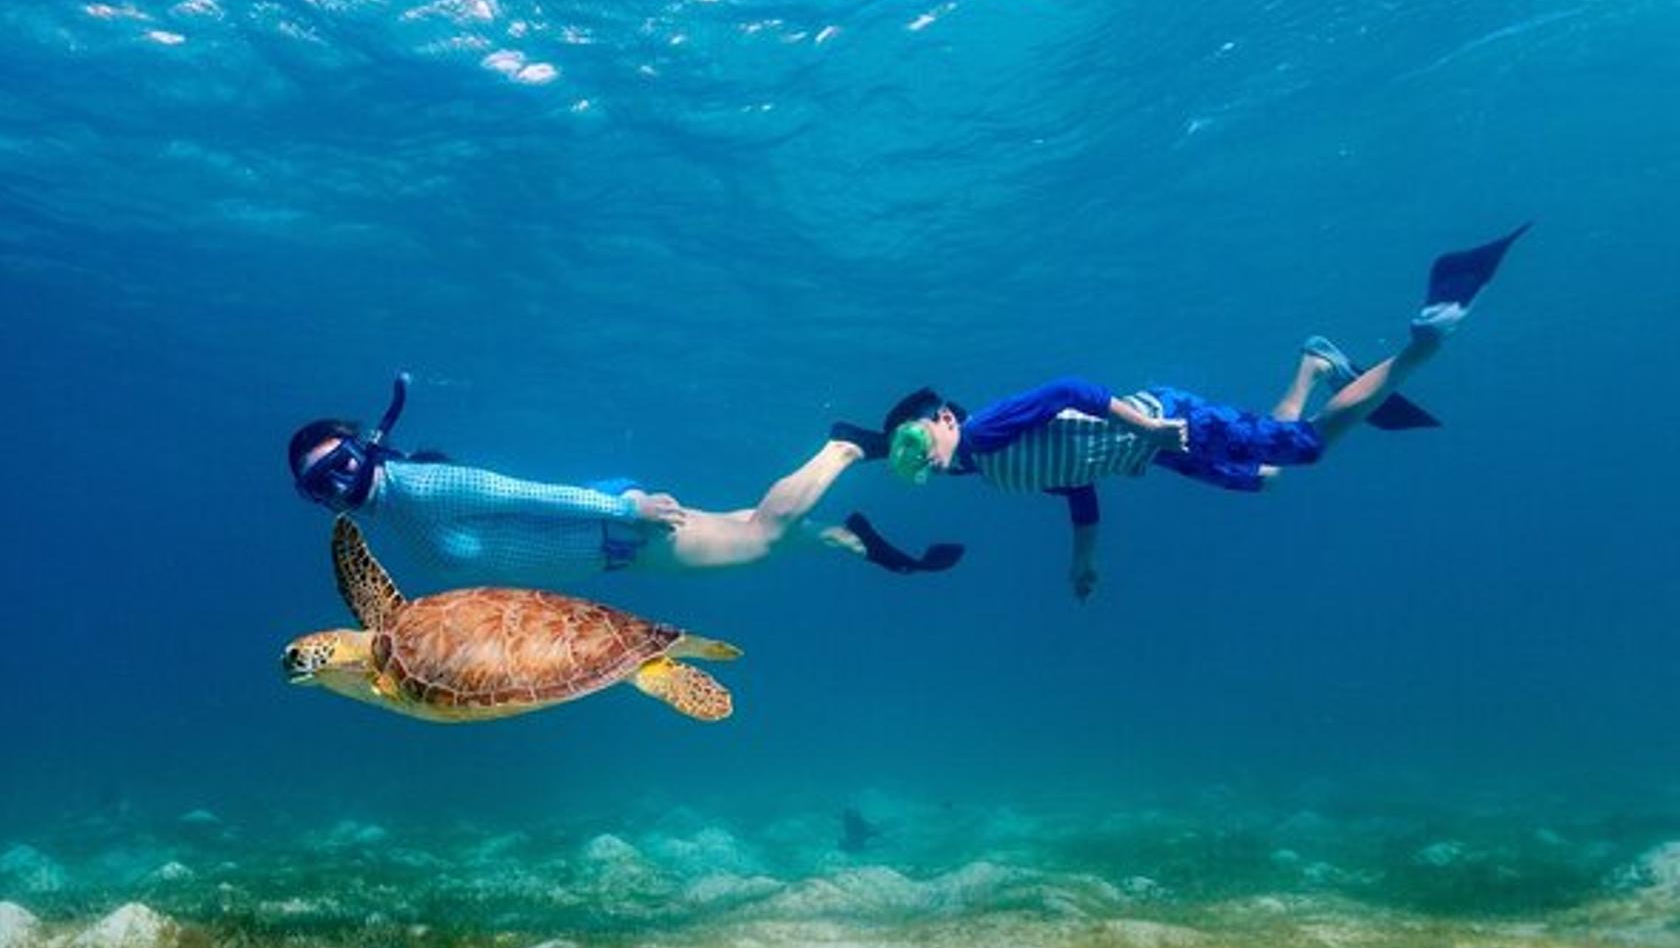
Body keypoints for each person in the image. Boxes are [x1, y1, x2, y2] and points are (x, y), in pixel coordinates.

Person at [857, 226, 1526, 601]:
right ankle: (1314, 364)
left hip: (1165, 422)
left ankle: (1422, 341)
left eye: (917, 440)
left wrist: (1147, 426)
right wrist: (1081, 560)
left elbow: (1068, 387)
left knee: (1306, 448)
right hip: (1158, 452)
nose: (924, 461)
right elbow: (1077, 487)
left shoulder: (985, 429)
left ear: (943, 418)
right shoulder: (990, 470)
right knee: (1266, 475)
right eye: (911, 464)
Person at [288, 374, 961, 585]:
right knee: (741, 532)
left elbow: (527, 494)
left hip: (613, 528)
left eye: (338, 466)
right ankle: (848, 539)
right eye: (319, 486)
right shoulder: (397, 510)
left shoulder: (418, 490)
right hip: (606, 545)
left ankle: (842, 449)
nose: (339, 488)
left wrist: (627, 505)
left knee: (758, 534)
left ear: (362, 447)